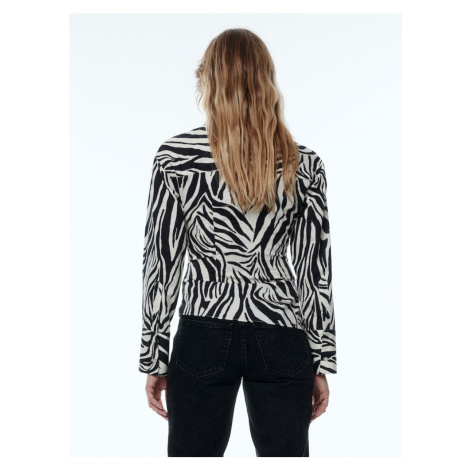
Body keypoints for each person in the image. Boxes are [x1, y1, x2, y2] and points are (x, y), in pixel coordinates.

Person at [138, 28, 337, 457]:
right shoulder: (304, 164)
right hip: (281, 329)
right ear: (267, 80)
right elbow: (314, 270)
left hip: (203, 328)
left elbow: (161, 263)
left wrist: (154, 356)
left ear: (207, 80)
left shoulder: (176, 158)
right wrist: (320, 359)